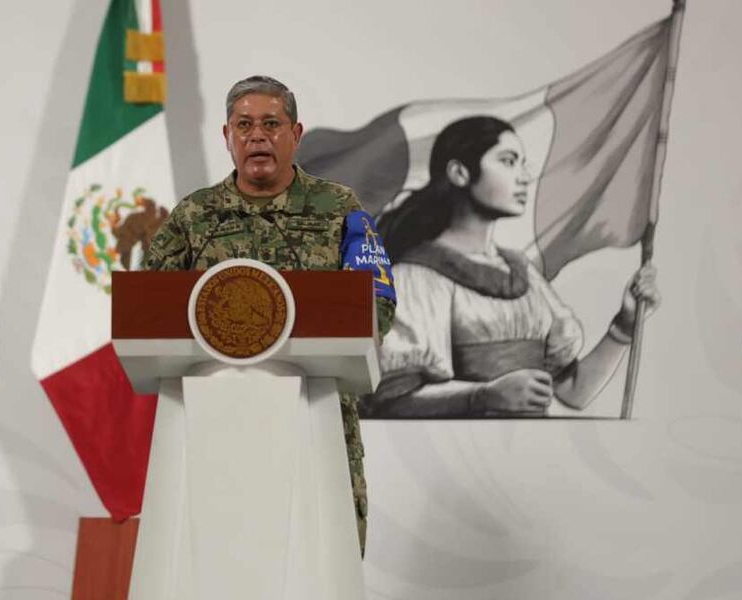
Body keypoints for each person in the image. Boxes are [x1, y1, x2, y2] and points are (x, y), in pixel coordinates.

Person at [143, 75, 395, 554]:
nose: (256, 136)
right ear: (226, 137)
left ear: (296, 134)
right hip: (216, 423)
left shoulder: (338, 207)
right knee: (219, 556)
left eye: (271, 123)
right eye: (244, 125)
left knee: (324, 557)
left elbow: (377, 305)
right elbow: (148, 312)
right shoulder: (194, 216)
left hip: (315, 416)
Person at [362, 116, 659, 418]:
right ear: (459, 172)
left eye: (522, 163)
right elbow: (393, 400)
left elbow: (574, 392)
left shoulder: (523, 272)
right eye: (508, 161)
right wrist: (484, 395)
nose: (523, 176)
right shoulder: (415, 277)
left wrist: (624, 326)